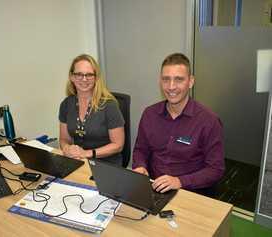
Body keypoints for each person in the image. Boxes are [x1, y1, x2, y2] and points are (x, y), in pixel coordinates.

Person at [132, 53, 224, 196]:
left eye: (179, 80)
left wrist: (180, 181)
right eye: (166, 79)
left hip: (190, 193)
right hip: (154, 189)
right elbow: (140, 150)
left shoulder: (209, 121)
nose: (171, 87)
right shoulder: (149, 114)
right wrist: (139, 166)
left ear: (191, 81)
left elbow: (215, 169)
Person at [59, 54, 125, 165]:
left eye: (89, 75)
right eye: (79, 74)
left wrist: (87, 153)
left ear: (96, 78)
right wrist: (67, 149)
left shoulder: (109, 105)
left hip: (106, 165)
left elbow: (118, 145)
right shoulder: (66, 104)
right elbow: (64, 139)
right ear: (72, 77)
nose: (84, 79)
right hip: (79, 162)